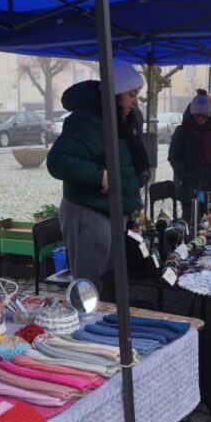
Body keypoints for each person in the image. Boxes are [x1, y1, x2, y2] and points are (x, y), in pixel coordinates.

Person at [47, 60, 149, 292]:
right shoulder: (87, 121)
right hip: (88, 214)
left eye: (137, 94)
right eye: (131, 94)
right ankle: (85, 327)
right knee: (89, 287)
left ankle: (105, 326)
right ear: (114, 94)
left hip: (111, 211)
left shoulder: (122, 119)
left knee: (107, 282)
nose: (135, 101)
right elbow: (57, 161)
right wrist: (99, 175)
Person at [168, 89, 211, 219]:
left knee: (205, 220)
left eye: (204, 116)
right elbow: (174, 157)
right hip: (187, 187)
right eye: (197, 115)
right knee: (189, 219)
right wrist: (186, 175)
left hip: (205, 187)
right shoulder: (181, 132)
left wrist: (210, 174)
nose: (200, 119)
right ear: (191, 114)